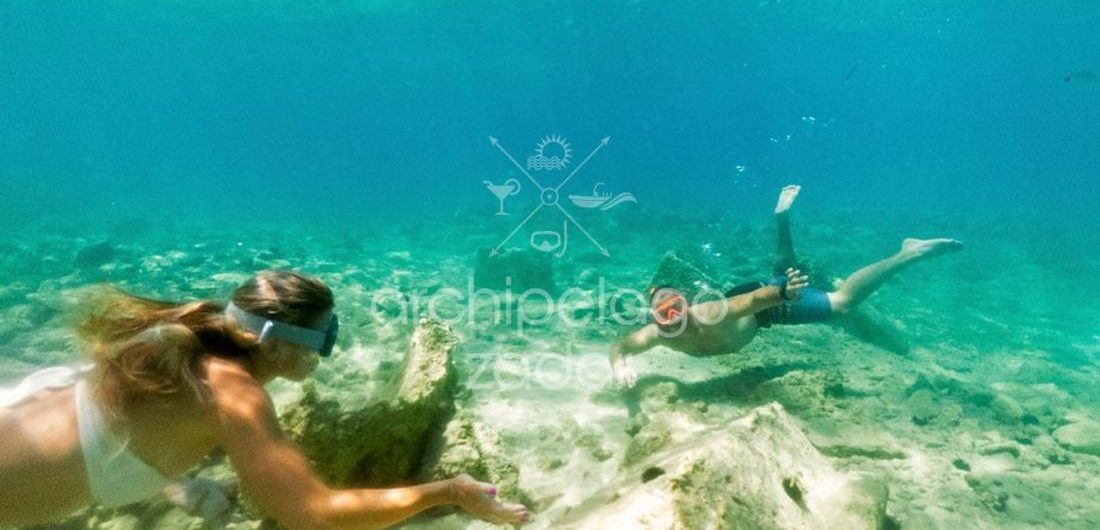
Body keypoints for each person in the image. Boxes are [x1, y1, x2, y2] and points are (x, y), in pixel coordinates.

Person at [0, 270, 529, 529]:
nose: (326, 352)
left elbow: (116, 428)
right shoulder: (237, 397)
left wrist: (173, 484)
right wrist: (450, 493)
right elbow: (316, 514)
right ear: (275, 345)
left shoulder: (179, 346)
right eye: (325, 337)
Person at [610, 185, 964, 387]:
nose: (671, 317)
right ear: (655, 317)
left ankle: (907, 252)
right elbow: (620, 347)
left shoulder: (711, 314)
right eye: (662, 313)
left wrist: (781, 294)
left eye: (675, 307)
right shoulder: (657, 335)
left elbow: (752, 299)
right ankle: (782, 219)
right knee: (785, 269)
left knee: (842, 303)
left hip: (764, 307)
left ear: (687, 303)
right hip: (753, 303)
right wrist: (619, 366)